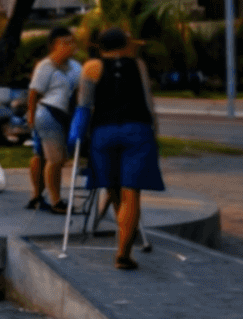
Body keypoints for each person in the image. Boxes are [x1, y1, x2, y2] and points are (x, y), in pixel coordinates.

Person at [77, 27, 163, 270]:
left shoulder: (90, 67)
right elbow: (148, 100)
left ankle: (123, 239)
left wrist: (79, 137)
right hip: (137, 129)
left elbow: (84, 104)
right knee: (132, 192)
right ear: (125, 45)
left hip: (104, 132)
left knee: (113, 187)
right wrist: (155, 131)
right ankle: (123, 252)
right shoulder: (138, 65)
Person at [25, 28, 81, 213]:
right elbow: (34, 93)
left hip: (64, 115)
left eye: (72, 41)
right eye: (65, 42)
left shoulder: (76, 66)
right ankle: (53, 200)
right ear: (53, 46)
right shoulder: (45, 66)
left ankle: (39, 198)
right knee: (54, 158)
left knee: (45, 156)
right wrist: (31, 115)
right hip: (48, 114)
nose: (70, 46)